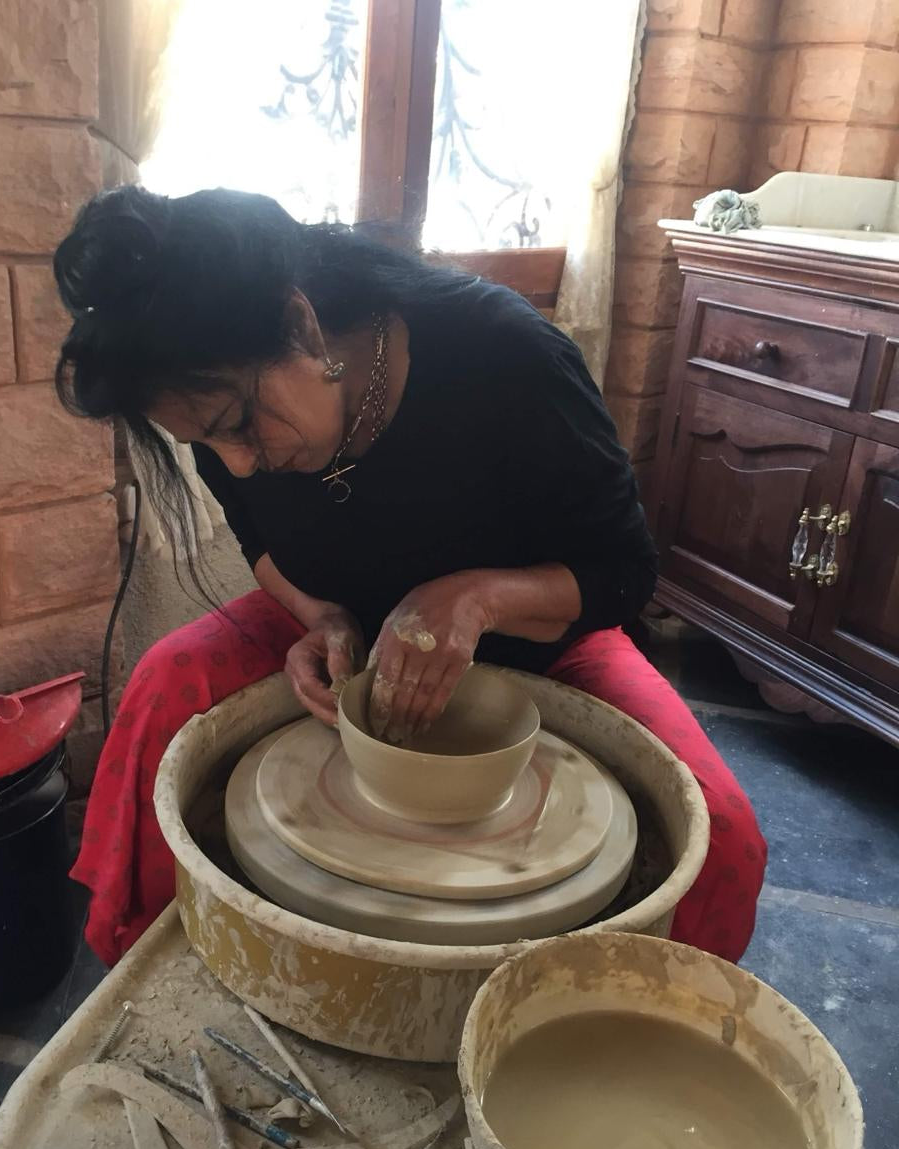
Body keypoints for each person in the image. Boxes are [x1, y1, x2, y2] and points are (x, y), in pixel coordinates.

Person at [54, 186, 766, 966]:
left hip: (542, 638)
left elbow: (627, 573)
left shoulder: (506, 356)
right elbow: (258, 540)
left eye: (237, 427)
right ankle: (164, 976)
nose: (239, 462)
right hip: (346, 628)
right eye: (205, 443)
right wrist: (317, 615)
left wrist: (478, 597)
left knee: (721, 836)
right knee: (165, 685)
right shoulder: (214, 401)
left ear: (300, 323)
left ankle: (617, 1047)